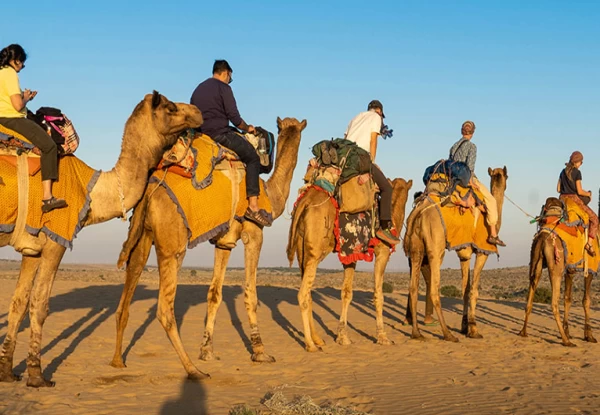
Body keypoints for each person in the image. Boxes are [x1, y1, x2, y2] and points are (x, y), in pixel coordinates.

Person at [190, 59, 271, 227]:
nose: (229, 81)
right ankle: (253, 207)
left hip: (200, 135)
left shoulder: (198, 89)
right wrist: (247, 128)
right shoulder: (224, 88)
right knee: (253, 158)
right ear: (226, 73)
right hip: (219, 134)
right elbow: (234, 118)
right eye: (230, 78)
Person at [0, 44, 67, 213]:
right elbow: (16, 106)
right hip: (12, 118)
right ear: (15, 61)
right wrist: (26, 99)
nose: (23, 66)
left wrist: (24, 95)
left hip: (3, 116)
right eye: (22, 62)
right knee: (50, 146)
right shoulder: (10, 74)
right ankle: (47, 197)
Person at [344, 100, 400, 245]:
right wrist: (371, 163)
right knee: (387, 188)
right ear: (379, 111)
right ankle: (384, 227)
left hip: (345, 157)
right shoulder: (375, 117)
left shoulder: (355, 117)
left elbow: (345, 139)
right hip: (360, 157)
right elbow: (373, 140)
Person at [449, 121, 505, 246]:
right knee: (491, 200)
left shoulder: (453, 146)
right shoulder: (471, 146)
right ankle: (493, 235)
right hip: (466, 177)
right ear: (472, 133)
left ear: (461, 131)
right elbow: (470, 166)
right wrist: (471, 182)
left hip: (452, 178)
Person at [557, 151, 598, 257]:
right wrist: (588, 194)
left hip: (562, 199)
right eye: (581, 162)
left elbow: (558, 189)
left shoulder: (562, 172)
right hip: (573, 200)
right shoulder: (577, 173)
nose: (581, 164)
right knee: (594, 219)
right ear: (577, 162)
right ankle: (589, 244)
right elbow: (579, 191)